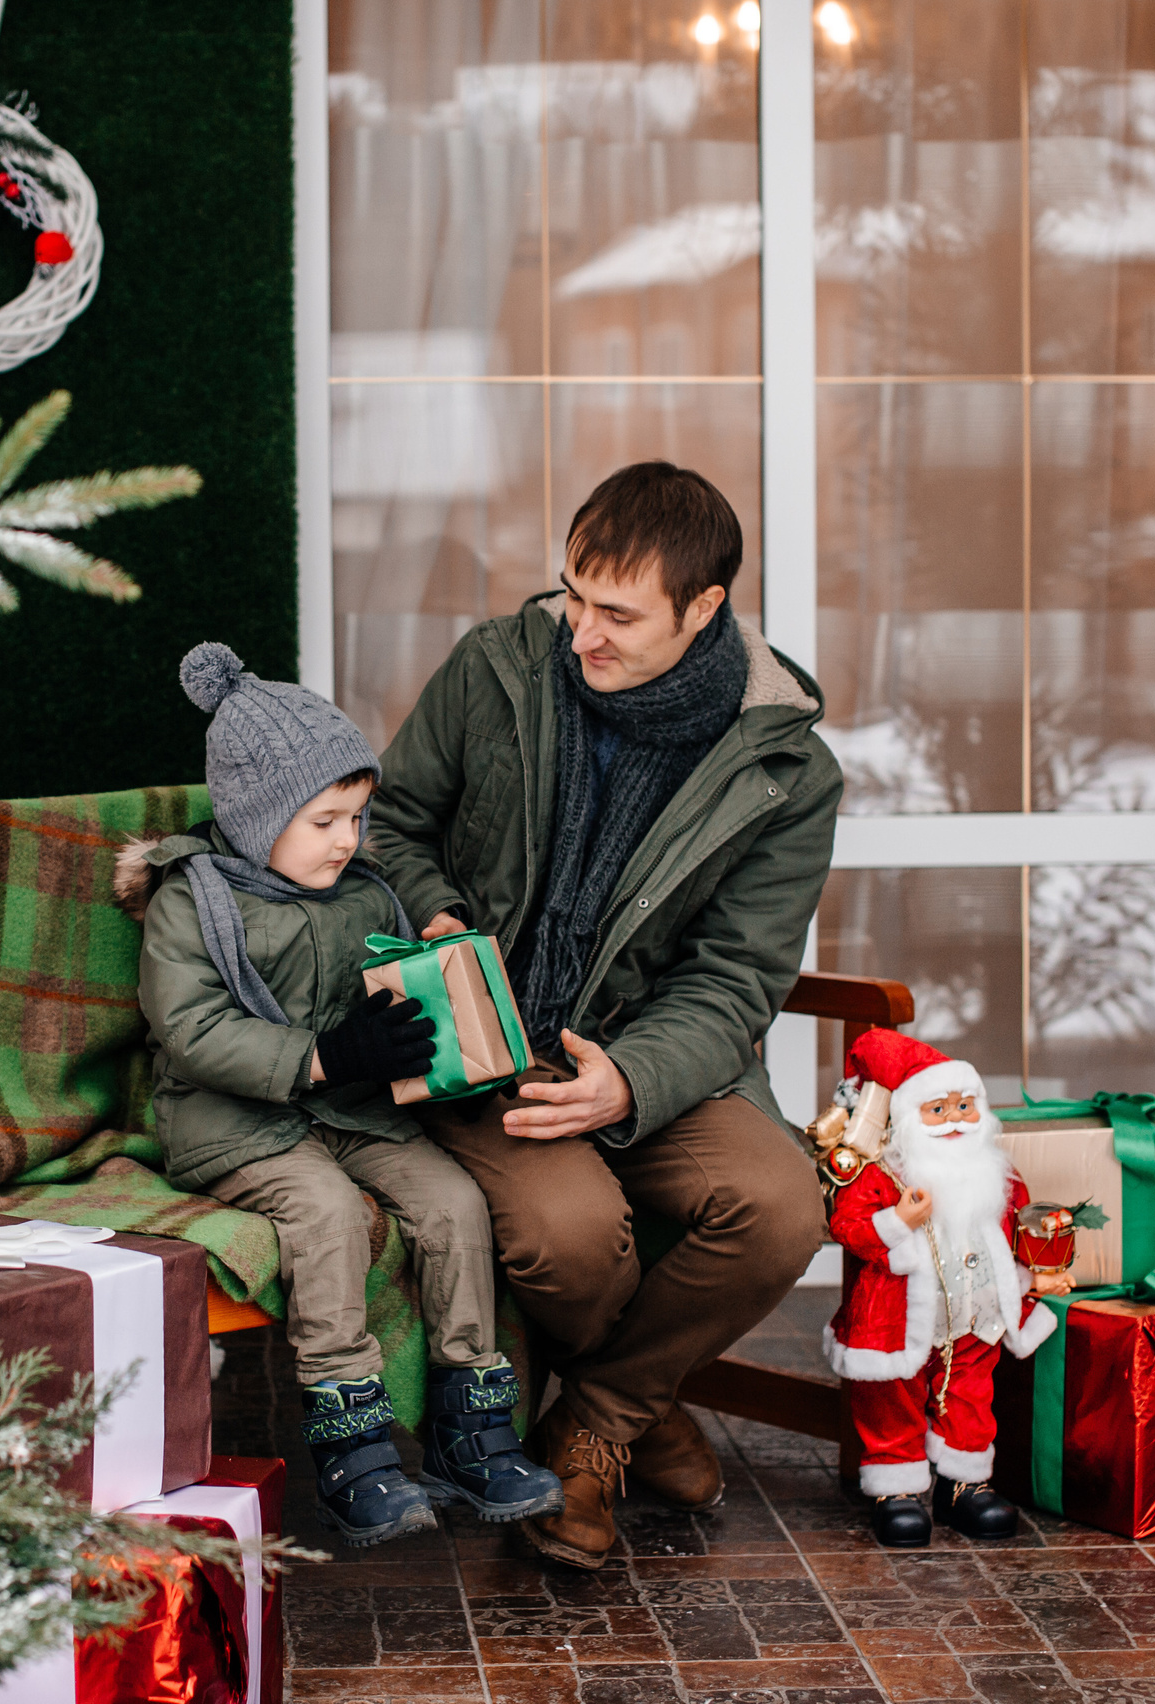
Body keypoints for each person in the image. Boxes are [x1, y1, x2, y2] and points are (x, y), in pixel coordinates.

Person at [366, 461, 839, 1569]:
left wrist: (629, 1080)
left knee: (778, 1206)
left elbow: (736, 976)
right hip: (482, 1050)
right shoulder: (496, 669)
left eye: (616, 613)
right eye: (573, 594)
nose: (580, 632)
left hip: (659, 1059)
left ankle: (591, 1423)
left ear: (704, 608)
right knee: (571, 1235)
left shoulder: (786, 772)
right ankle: (642, 1409)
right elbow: (387, 827)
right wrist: (436, 919)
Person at [122, 642, 564, 1546]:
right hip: (232, 1123)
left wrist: (450, 1051)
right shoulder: (193, 900)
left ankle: (469, 1423)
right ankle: (352, 1438)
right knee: (326, 1212)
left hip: (350, 1109)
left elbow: (396, 1012)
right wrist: (326, 1056)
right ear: (257, 813)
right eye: (325, 819)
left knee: (451, 1200)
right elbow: (194, 1031)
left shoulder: (364, 895)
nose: (347, 840)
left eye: (357, 818)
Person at [823, 1029, 1058, 1548]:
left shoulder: (995, 1170)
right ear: (909, 1116)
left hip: (976, 1313)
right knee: (892, 1398)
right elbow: (849, 1226)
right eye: (938, 1108)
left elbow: (1015, 1222)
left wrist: (1035, 1272)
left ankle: (964, 1483)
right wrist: (898, 1220)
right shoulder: (880, 1172)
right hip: (898, 1317)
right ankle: (897, 1489)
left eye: (965, 1106)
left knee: (971, 1395)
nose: (955, 1118)